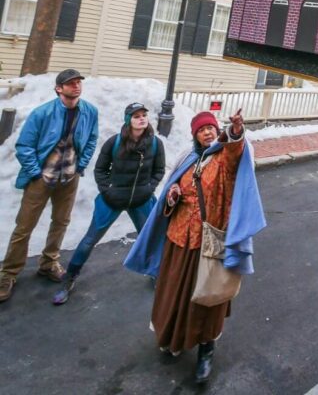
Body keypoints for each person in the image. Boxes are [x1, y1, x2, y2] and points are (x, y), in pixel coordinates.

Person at [125, 110, 265, 385]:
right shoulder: (187, 161)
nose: (207, 133)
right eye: (202, 130)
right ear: (195, 135)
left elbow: (236, 151)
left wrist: (235, 131)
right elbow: (170, 194)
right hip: (179, 239)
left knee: (208, 297)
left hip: (208, 242)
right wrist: (173, 194)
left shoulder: (224, 159)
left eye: (211, 128)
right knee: (173, 294)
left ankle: (206, 351)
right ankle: (173, 338)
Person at [52, 102, 166, 305]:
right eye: (136, 115)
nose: (141, 118)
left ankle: (155, 272)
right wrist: (107, 190)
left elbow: (159, 170)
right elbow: (100, 170)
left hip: (141, 200)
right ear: (128, 120)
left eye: (144, 115)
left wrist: (149, 188)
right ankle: (69, 277)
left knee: (150, 238)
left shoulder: (155, 144)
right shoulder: (114, 142)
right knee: (89, 240)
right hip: (112, 200)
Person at [0, 69, 98, 303]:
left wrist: (80, 166)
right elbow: (24, 145)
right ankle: (8, 273)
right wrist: (36, 173)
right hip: (42, 178)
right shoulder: (42, 113)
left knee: (61, 222)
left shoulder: (89, 111)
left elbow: (92, 138)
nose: (76, 86)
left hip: (69, 178)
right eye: (70, 83)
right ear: (58, 89)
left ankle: (48, 261)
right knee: (24, 226)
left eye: (78, 83)